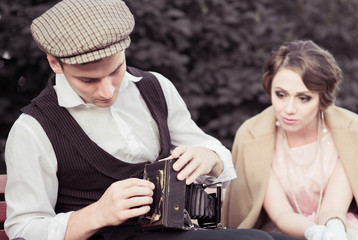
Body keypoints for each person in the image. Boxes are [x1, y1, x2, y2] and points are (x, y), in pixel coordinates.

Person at [4, 1, 302, 240]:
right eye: (88, 80)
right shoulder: (33, 129)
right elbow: (22, 230)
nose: (107, 91)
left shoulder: (155, 86)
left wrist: (209, 158)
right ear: (54, 62)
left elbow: (216, 155)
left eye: (115, 72)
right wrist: (97, 214)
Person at [223, 39, 358, 240]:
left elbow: (333, 206)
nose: (289, 109)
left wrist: (334, 228)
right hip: (283, 230)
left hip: (338, 223)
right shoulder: (252, 136)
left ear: (323, 99)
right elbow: (281, 213)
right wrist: (313, 231)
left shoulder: (351, 131)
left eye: (303, 98)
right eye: (281, 95)